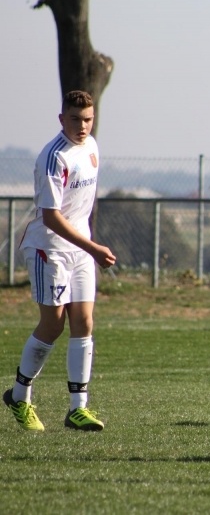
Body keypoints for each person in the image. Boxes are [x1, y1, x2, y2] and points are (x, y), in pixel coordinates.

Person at [4, 90, 116, 432]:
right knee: (53, 325)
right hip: (48, 248)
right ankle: (20, 396)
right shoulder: (53, 157)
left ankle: (77, 409)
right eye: (75, 119)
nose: (82, 126)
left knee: (84, 321)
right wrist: (94, 247)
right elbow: (51, 217)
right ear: (61, 119)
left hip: (80, 247)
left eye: (88, 119)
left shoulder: (92, 147)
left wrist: (87, 247)